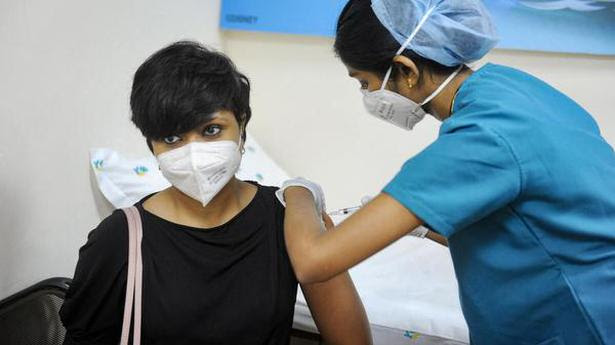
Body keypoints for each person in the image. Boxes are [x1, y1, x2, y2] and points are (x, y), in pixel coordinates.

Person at [278, 1, 615, 344]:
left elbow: (314, 261)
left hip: (581, 322)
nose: (366, 94)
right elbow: (528, 215)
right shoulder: (511, 88)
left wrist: (298, 191)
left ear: (406, 70)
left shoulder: (480, 139)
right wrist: (425, 227)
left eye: (365, 82)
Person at [59, 41, 372, 345]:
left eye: (211, 130)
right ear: (151, 145)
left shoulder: (287, 218)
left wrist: (302, 198)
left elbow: (351, 339)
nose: (194, 152)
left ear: (242, 124)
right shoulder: (118, 240)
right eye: (172, 138)